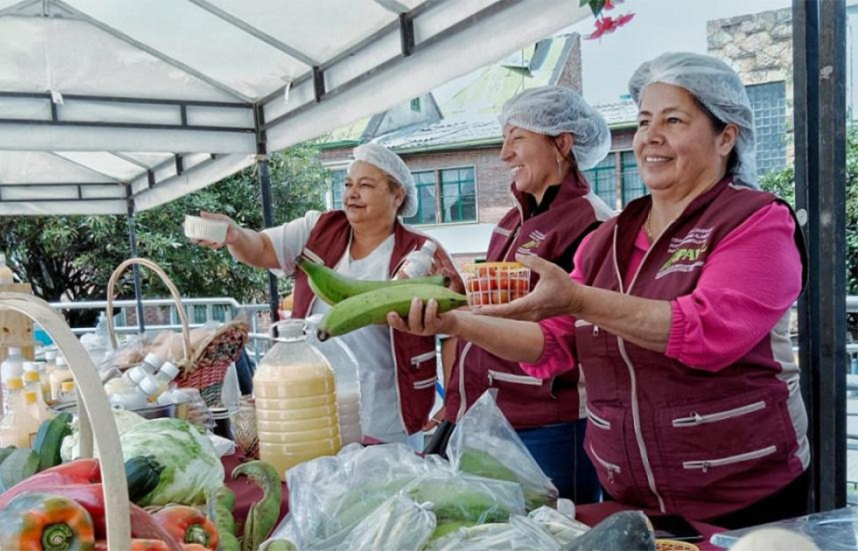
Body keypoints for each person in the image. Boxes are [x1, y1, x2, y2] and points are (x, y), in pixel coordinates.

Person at [389, 52, 808, 528]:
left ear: (726, 136)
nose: (650, 136)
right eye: (645, 119)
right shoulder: (609, 240)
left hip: (742, 500)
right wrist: (455, 322)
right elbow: (552, 342)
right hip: (629, 498)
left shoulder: (756, 220)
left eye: (673, 119)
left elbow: (711, 331)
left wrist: (580, 299)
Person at [193, 142, 464, 449]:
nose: (352, 193)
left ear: (397, 195)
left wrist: (452, 398)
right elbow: (261, 248)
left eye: (366, 185)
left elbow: (455, 332)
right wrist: (236, 235)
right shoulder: (317, 228)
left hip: (389, 412)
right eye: (348, 184)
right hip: (313, 407)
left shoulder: (424, 253)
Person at [430, 86, 613, 504]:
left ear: (562, 144)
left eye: (518, 139)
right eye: (504, 139)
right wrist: (461, 294)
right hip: (486, 414)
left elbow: (567, 334)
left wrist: (461, 320)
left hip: (547, 425)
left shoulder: (592, 222)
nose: (504, 154)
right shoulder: (511, 221)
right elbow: (502, 308)